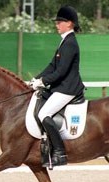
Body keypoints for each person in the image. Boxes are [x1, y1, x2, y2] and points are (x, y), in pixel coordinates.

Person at [30, 5, 85, 167]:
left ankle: (60, 153)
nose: (57, 25)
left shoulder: (70, 43)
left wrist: (44, 82)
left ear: (69, 23)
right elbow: (52, 66)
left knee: (44, 113)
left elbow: (60, 72)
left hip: (67, 88)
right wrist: (36, 78)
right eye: (57, 22)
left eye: (60, 22)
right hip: (61, 87)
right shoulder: (64, 42)